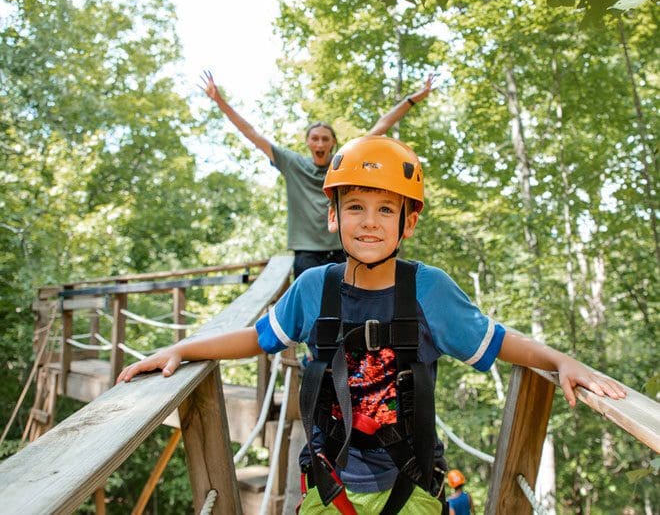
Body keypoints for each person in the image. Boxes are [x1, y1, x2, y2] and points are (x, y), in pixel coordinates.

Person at [117, 136, 626, 514]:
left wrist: (560, 361)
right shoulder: (315, 287)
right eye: (355, 206)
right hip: (328, 483)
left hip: (410, 485)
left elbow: (495, 339)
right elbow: (258, 338)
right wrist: (185, 349)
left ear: (409, 222)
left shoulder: (429, 291)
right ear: (333, 216)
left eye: (387, 209)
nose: (369, 222)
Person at [200, 70, 435, 277]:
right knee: (311, 311)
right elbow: (251, 133)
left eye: (325, 139)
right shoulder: (293, 164)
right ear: (308, 142)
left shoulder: (344, 164)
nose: (320, 143)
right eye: (315, 138)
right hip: (307, 252)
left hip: (343, 248)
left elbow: (381, 126)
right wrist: (219, 101)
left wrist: (414, 99)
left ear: (333, 143)